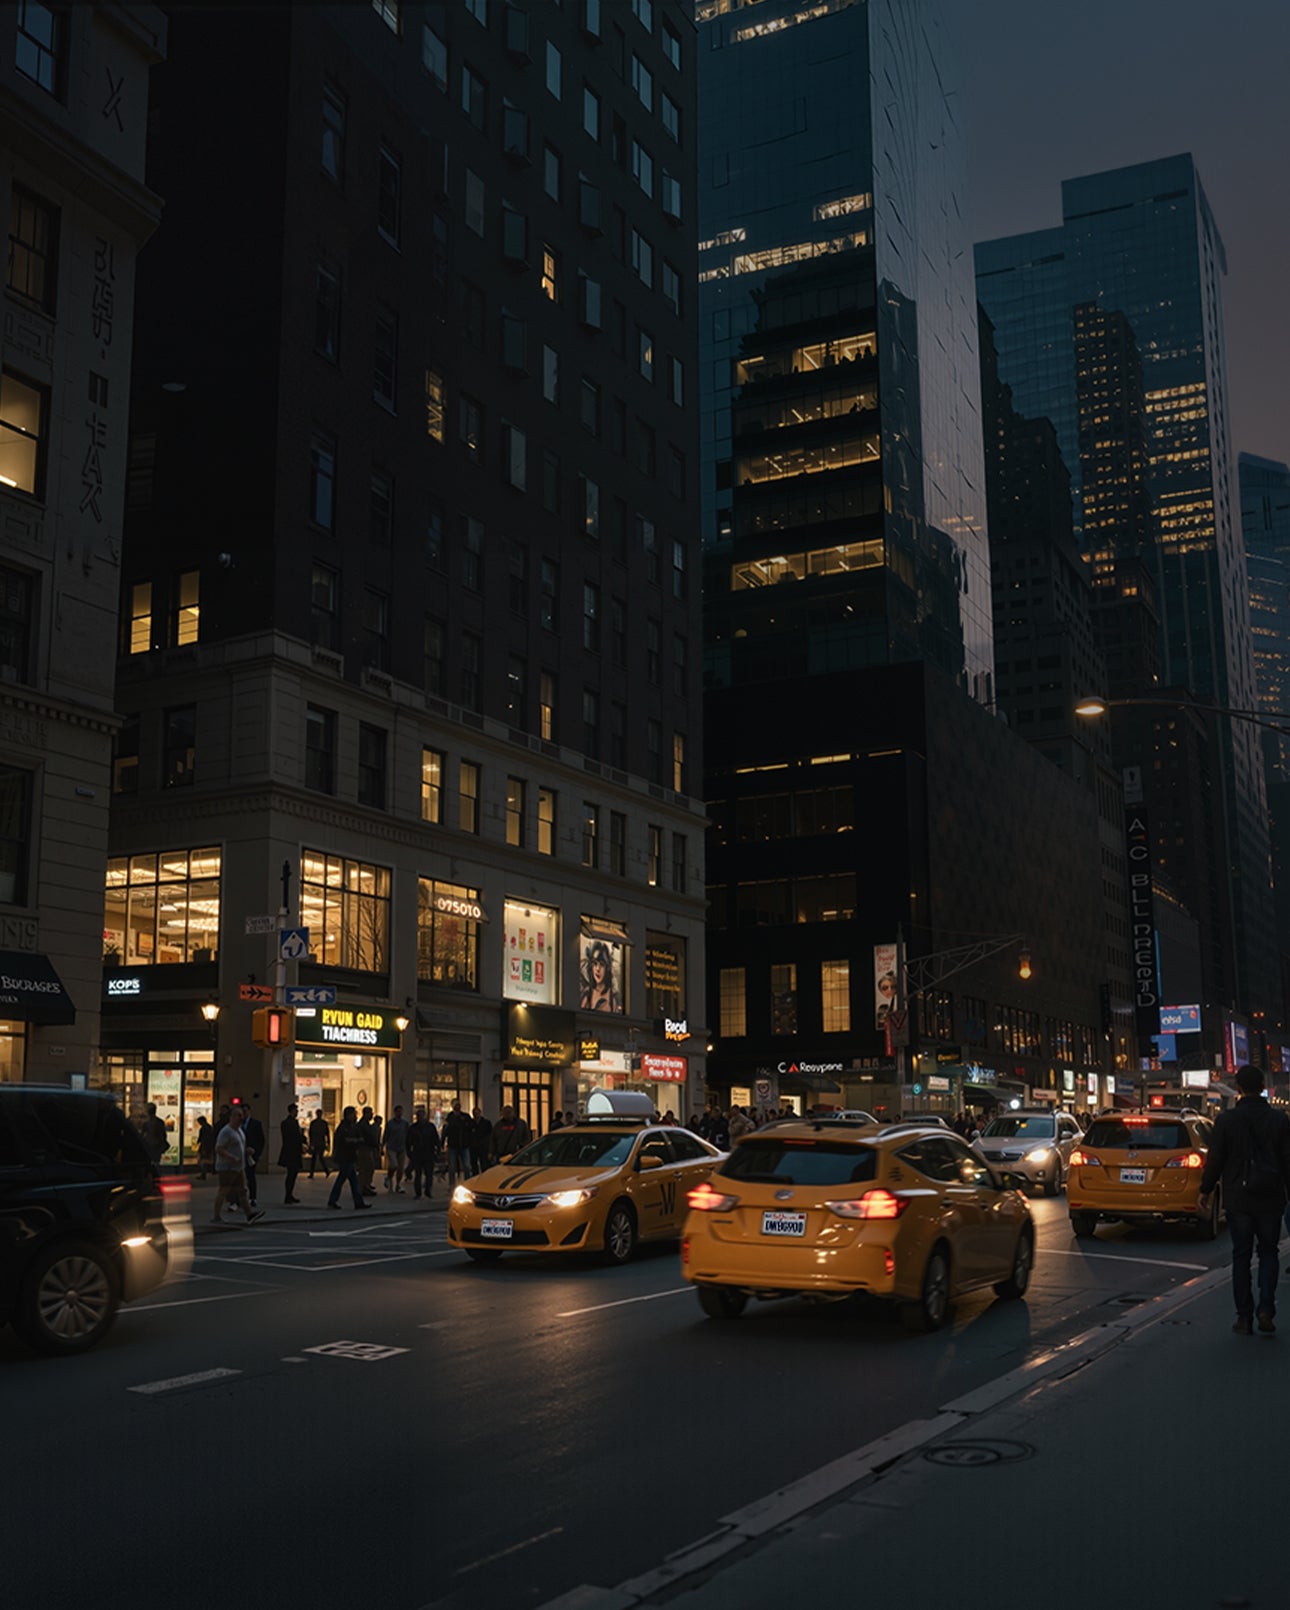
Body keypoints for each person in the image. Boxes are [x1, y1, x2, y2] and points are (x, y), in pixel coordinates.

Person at [1197, 1064, 1290, 1335]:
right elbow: (1287, 1160)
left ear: (1237, 1088)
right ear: (1262, 1086)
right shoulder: (1280, 1120)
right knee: (1270, 1252)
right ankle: (1266, 1308)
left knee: (1241, 1256)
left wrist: (1206, 1188)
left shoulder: (1226, 1121)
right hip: (1271, 1196)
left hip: (1238, 1198)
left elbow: (1216, 1160)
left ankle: (1244, 1315)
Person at [212, 1106, 264, 1225]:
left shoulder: (239, 1130)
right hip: (227, 1167)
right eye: (238, 1115)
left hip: (238, 1167)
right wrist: (232, 1158)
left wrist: (247, 1151)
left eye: (242, 1115)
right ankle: (216, 1216)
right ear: (231, 1117)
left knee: (242, 1191)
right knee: (224, 1190)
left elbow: (238, 1147)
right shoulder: (226, 1131)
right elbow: (219, 1149)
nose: (241, 1118)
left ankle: (249, 1214)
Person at [327, 1106, 371, 1211]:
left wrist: (357, 1140)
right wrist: (355, 1141)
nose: (355, 1116)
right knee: (342, 1179)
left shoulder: (352, 1127)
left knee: (353, 1180)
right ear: (348, 1115)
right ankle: (333, 1201)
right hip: (344, 1157)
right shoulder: (343, 1128)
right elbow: (344, 1141)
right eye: (353, 1114)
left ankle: (358, 1201)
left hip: (350, 1157)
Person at [407, 1107, 440, 1199]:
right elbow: (408, 1141)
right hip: (418, 1153)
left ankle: (428, 1191)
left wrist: (438, 1149)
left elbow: (435, 1139)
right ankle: (418, 1193)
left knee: (429, 1174)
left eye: (422, 1116)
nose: (420, 1118)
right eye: (419, 1116)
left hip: (428, 1152)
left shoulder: (430, 1127)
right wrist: (409, 1152)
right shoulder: (413, 1128)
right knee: (418, 1174)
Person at [580, 940, 620, 1012]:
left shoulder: (613, 997)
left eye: (601, 964)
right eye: (595, 964)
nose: (597, 969)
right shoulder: (586, 994)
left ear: (607, 968)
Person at [239, 1101, 266, 1208]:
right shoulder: (238, 1124)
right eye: (242, 1112)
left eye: (245, 1111)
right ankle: (238, 1200)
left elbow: (261, 1140)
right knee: (238, 1178)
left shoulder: (256, 1124)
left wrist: (256, 1153)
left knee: (251, 1177)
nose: (243, 1114)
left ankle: (253, 1198)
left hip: (251, 1155)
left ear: (249, 1111)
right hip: (239, 1155)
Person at [443, 1099, 475, 1190]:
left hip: (464, 1145)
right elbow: (446, 1130)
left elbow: (470, 1129)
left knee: (467, 1166)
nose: (458, 1106)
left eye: (459, 1105)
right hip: (453, 1145)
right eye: (456, 1105)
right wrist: (443, 1142)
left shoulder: (466, 1116)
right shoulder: (450, 1117)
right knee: (452, 1167)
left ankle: (467, 1183)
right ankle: (452, 1184)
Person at [278, 1101, 304, 1204]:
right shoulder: (291, 1123)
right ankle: (288, 1195)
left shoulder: (286, 1123)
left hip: (289, 1151)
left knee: (291, 1174)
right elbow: (294, 1137)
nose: (297, 1112)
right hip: (293, 1152)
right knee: (292, 1175)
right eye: (296, 1110)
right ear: (292, 1111)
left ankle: (289, 1195)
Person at [384, 1105, 410, 1193]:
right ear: (395, 1112)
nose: (400, 1113)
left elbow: (408, 1135)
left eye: (401, 1111)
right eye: (398, 1111)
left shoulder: (405, 1123)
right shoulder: (390, 1123)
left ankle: (398, 1185)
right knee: (394, 1164)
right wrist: (383, 1145)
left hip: (402, 1147)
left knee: (401, 1168)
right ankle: (388, 1176)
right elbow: (386, 1135)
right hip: (391, 1147)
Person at [356, 1107, 378, 1195]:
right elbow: (367, 1136)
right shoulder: (363, 1124)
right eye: (370, 1113)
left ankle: (365, 1185)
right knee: (366, 1167)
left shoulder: (366, 1124)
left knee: (368, 1167)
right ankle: (363, 1186)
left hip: (367, 1148)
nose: (372, 1115)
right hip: (364, 1148)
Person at [139, 1102, 168, 1167]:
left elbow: (142, 1135)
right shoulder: (160, 1122)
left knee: (148, 1163)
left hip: (149, 1146)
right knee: (156, 1163)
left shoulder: (146, 1123)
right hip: (157, 1145)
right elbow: (164, 1135)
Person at [308, 1110, 331, 1177]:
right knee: (318, 1157)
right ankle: (326, 1171)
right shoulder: (323, 1123)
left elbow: (311, 1134)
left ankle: (313, 1173)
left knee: (315, 1158)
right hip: (319, 1142)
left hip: (318, 1142)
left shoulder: (314, 1123)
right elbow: (327, 1134)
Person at [470, 1106, 493, 1175]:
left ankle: (484, 1176)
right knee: (474, 1163)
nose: (476, 1115)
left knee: (484, 1163)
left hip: (483, 1146)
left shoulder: (486, 1123)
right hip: (473, 1146)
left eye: (477, 1113)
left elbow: (490, 1134)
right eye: (475, 1113)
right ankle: (475, 1176)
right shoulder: (470, 1123)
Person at [195, 1115, 215, 1180]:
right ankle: (206, 1172)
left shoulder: (203, 1128)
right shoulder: (209, 1127)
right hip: (208, 1146)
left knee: (203, 1160)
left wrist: (198, 1142)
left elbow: (202, 1138)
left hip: (204, 1146)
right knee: (206, 1160)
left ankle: (203, 1174)